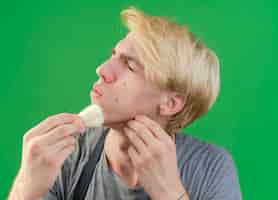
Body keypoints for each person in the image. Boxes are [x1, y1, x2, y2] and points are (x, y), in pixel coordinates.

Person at [8, 6, 242, 200]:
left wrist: (170, 193)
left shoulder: (211, 169)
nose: (102, 70)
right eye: (113, 56)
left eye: (130, 65)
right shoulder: (67, 152)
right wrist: (26, 188)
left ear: (170, 103)